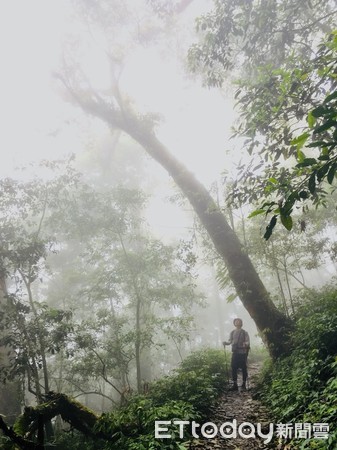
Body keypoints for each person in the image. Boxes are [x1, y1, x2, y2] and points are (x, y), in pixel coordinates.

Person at [223, 318, 250, 391]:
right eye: (236, 321)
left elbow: (247, 341)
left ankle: (244, 384)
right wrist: (226, 343)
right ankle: (235, 384)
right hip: (235, 353)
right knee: (233, 367)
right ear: (234, 323)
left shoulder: (244, 332)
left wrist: (246, 344)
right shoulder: (232, 332)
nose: (237, 322)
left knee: (244, 368)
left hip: (242, 352)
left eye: (239, 321)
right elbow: (230, 341)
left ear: (241, 323)